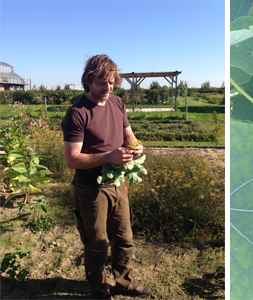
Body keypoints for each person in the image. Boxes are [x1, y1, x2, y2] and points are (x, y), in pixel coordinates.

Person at [61, 54, 151, 299]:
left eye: (111, 82)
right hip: (91, 189)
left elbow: (128, 135)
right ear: (88, 80)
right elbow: (72, 160)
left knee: (124, 238)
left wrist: (136, 146)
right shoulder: (77, 113)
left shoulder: (117, 103)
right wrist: (109, 157)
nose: (108, 88)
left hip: (118, 184)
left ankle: (125, 284)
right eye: (102, 82)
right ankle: (99, 291)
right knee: (97, 243)